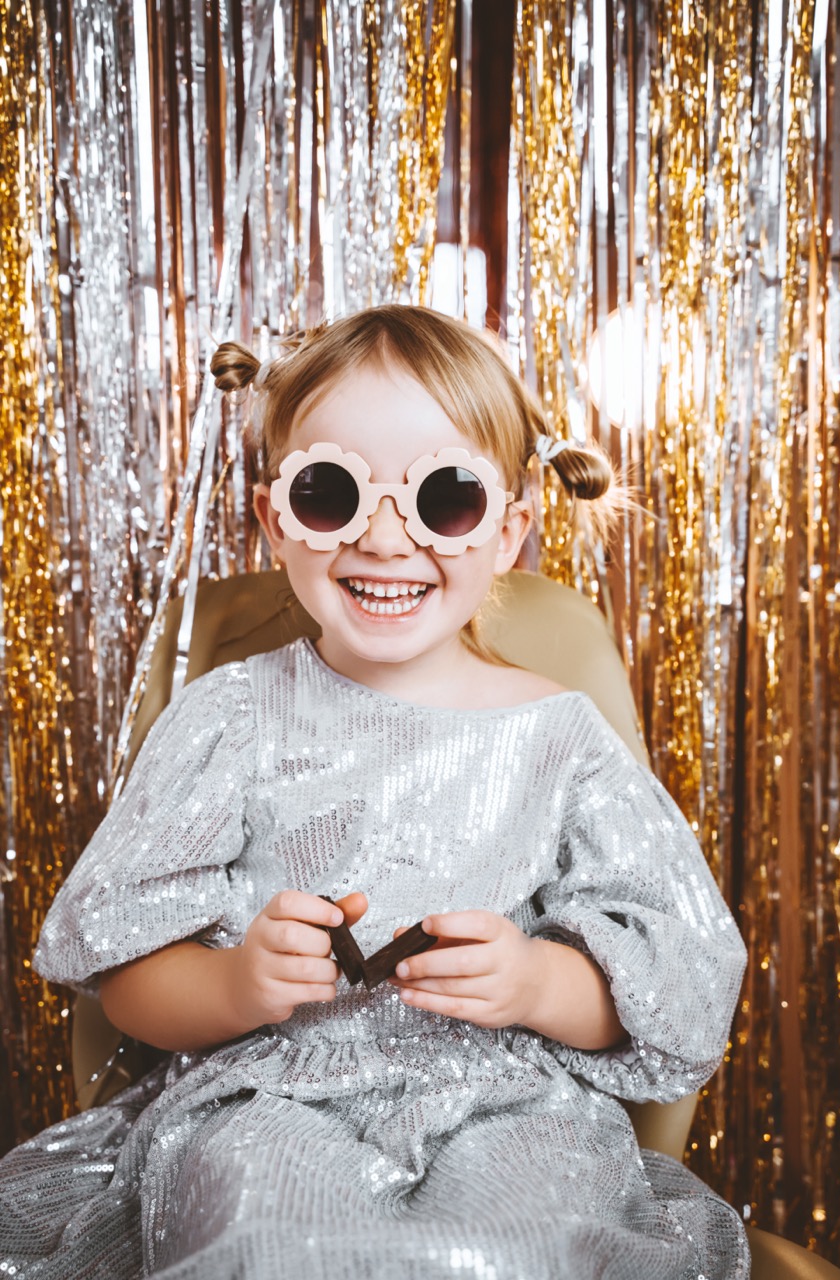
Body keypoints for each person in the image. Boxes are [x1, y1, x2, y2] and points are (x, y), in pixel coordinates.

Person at [0, 305, 749, 1279]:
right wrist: (234, 984)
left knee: (519, 1246)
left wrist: (535, 979)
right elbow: (124, 974)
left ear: (510, 527)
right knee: (269, 1241)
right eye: (332, 493)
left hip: (509, 1106)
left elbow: (673, 979)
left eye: (444, 498)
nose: (388, 539)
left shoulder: (559, 736)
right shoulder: (231, 715)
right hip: (268, 1099)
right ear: (277, 518)